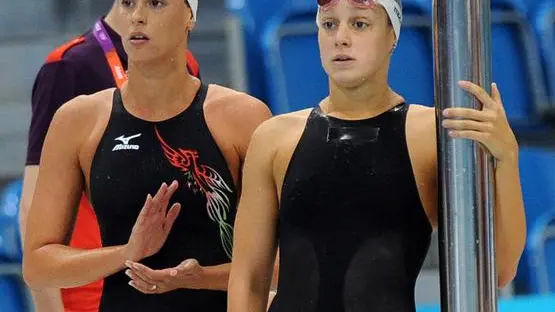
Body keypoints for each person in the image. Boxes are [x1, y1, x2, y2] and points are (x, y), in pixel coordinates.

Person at [227, 0, 527, 311]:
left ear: (392, 36)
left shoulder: (430, 135)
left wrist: (506, 157)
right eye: (329, 24)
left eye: (359, 24)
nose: (341, 37)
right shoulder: (275, 139)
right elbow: (248, 279)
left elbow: (500, 268)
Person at [21, 0, 271, 311]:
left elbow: (280, 264)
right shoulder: (78, 121)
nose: (137, 17)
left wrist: (197, 278)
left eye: (156, 3)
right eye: (128, 3)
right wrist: (126, 252)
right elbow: (37, 265)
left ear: (190, 17)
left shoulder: (242, 118)